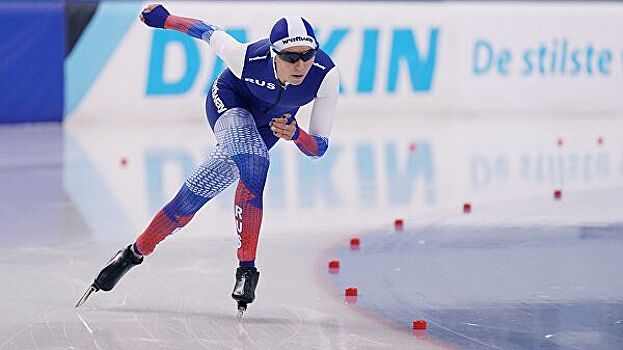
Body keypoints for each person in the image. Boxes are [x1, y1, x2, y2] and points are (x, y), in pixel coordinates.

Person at [76, 4, 339, 317]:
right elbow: (206, 31)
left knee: (191, 198)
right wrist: (164, 19)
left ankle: (132, 254)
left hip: (270, 127)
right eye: (290, 57)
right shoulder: (246, 57)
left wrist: (296, 135)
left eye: (307, 56)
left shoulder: (325, 75)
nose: (300, 65)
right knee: (256, 163)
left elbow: (319, 147)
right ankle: (247, 270)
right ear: (273, 54)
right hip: (230, 103)